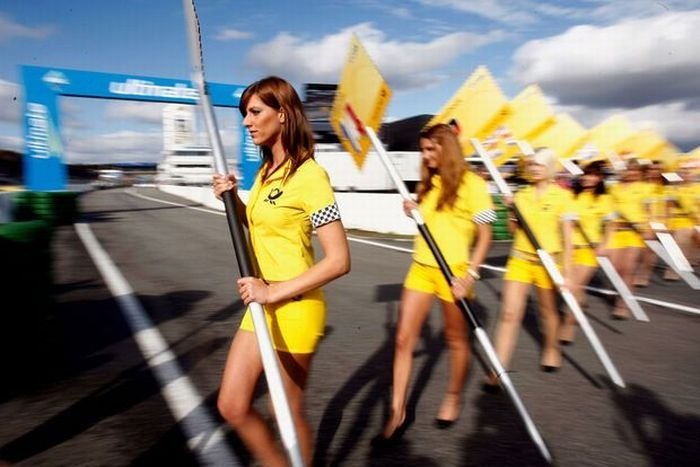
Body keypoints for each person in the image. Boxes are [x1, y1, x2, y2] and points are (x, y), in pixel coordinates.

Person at [212, 76, 350, 466]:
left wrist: (272, 292)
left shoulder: (310, 176)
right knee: (232, 405)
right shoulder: (265, 173)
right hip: (261, 303)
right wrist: (231, 200)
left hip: (296, 307)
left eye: (255, 112)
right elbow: (258, 227)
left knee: (285, 413)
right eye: (245, 114)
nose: (246, 121)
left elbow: (339, 259)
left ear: (283, 114)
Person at [374, 123, 495, 443]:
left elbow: (485, 236)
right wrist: (412, 210)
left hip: (455, 272)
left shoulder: (473, 184)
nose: (425, 156)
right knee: (403, 341)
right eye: (423, 150)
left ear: (448, 149)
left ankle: (453, 395)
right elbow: (431, 224)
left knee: (456, 340)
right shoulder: (428, 182)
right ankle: (397, 411)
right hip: (420, 268)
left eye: (431, 150)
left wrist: (470, 275)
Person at [484, 147, 575, 389]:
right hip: (520, 259)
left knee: (547, 312)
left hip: (548, 262)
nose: (534, 168)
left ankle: (551, 348)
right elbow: (515, 232)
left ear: (549, 168)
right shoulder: (521, 195)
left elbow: (568, 240)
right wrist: (510, 212)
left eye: (539, 165)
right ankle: (498, 367)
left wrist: (567, 273)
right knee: (509, 314)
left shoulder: (563, 197)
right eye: (531, 164)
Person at [558, 160, 615, 344]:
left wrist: (605, 244)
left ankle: (568, 325)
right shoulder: (570, 196)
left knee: (573, 289)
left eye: (593, 175)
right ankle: (578, 304)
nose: (588, 178)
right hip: (564, 250)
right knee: (566, 288)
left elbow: (611, 225)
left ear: (600, 178)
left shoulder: (605, 200)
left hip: (587, 250)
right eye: (586, 174)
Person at [606, 158, 652, 319]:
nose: (631, 173)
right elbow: (608, 209)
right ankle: (621, 291)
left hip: (635, 232)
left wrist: (648, 228)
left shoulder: (646, 188)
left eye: (635, 171)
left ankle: (622, 305)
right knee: (616, 269)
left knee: (628, 268)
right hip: (615, 231)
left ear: (640, 173)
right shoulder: (614, 187)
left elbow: (649, 210)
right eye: (629, 169)